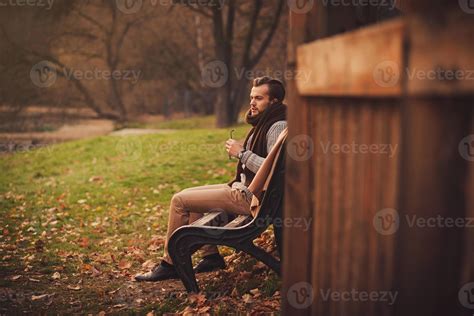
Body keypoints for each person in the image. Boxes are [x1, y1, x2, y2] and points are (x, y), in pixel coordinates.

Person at [135, 76, 288, 282]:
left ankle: (169, 264)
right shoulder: (267, 122)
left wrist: (242, 153)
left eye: (259, 98)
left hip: (250, 197)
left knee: (179, 201)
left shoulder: (277, 125)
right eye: (251, 97)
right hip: (247, 190)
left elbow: (274, 169)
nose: (252, 102)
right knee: (189, 195)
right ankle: (211, 256)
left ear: (274, 102)